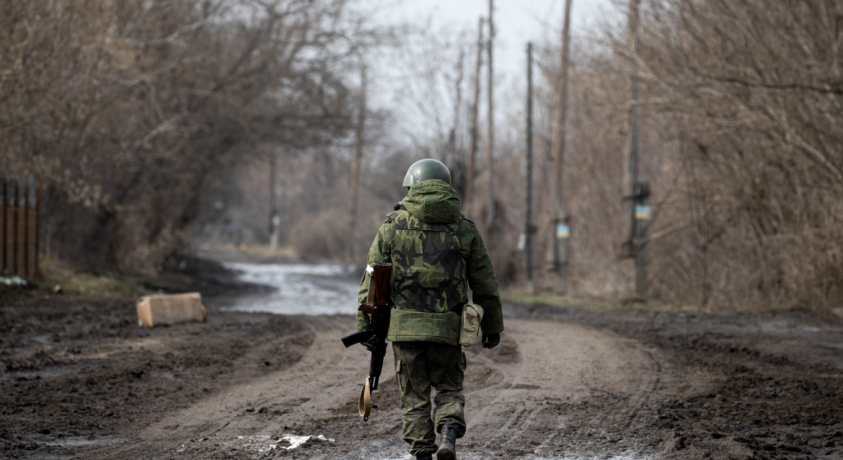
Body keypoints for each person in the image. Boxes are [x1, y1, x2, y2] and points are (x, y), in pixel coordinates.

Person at [356, 159, 504, 460]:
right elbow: (485, 283)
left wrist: (366, 325)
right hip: (448, 328)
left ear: (412, 187)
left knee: (414, 396)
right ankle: (448, 433)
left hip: (405, 329)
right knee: (449, 387)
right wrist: (492, 327)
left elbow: (373, 281)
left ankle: (423, 452)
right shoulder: (464, 230)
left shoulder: (391, 227)